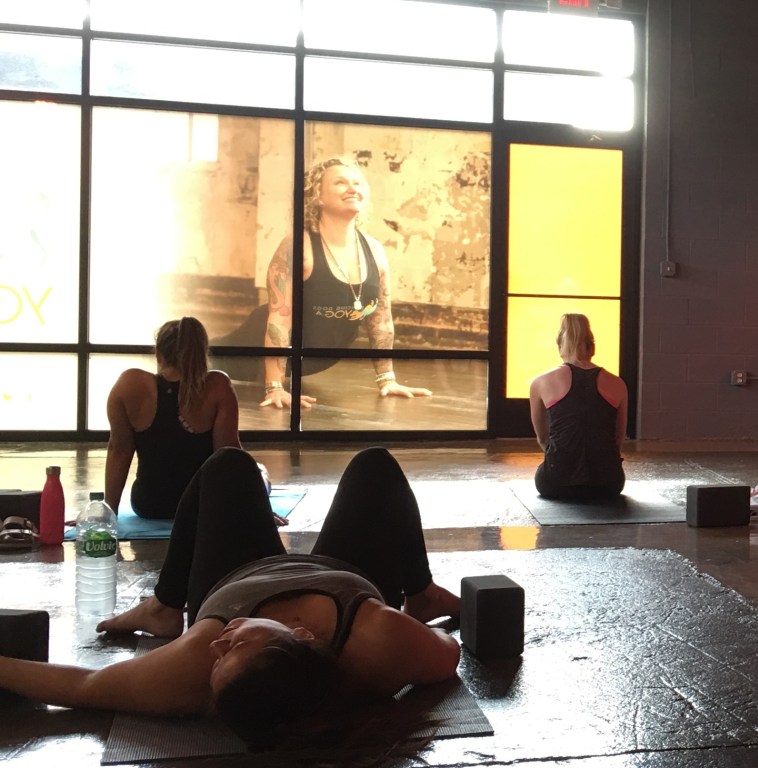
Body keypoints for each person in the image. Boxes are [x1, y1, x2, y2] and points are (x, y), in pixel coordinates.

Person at [0, 447, 462, 746]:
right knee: (374, 466)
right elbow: (448, 653)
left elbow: (83, 687)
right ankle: (421, 594)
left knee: (227, 466)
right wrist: (398, 650)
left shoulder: (195, 664)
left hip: (234, 575)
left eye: (219, 660)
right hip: (345, 574)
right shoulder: (378, 639)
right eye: (237, 646)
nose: (219, 644)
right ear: (302, 637)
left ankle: (164, 607)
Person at [220, 157, 433, 409]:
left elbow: (382, 320)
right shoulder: (299, 246)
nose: (352, 188)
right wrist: (275, 387)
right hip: (251, 346)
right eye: (340, 182)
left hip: (314, 360)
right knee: (200, 359)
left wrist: (387, 379)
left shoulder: (374, 250)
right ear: (317, 196)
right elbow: (279, 319)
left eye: (357, 183)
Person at [104, 317, 243, 520]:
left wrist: (107, 513)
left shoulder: (129, 384)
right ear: (201, 352)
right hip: (202, 506)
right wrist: (254, 509)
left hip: (149, 504)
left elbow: (119, 450)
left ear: (159, 354)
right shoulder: (217, 386)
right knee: (260, 473)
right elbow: (228, 454)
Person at [528, 314, 627, 500]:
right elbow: (617, 440)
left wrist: (564, 464)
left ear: (560, 345)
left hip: (555, 483)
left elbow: (543, 438)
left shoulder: (540, 382)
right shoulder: (617, 384)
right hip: (608, 484)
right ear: (592, 346)